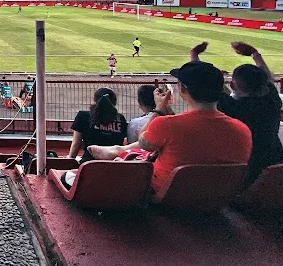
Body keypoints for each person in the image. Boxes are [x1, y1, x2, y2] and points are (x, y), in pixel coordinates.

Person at [88, 58, 252, 194]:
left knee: (135, 157)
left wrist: (159, 108)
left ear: (182, 89)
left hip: (167, 196)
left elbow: (144, 142)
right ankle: (116, 150)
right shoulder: (242, 130)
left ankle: (115, 152)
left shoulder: (165, 124)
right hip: (217, 198)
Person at [219, 41, 283, 186]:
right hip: (275, 167)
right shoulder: (272, 101)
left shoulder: (232, 108)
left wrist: (195, 57)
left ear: (233, 85)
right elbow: (268, 81)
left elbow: (201, 85)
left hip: (246, 174)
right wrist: (255, 54)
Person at [67, 88, 127, 163]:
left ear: (95, 100)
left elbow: (76, 143)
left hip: (89, 164)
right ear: (114, 102)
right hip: (114, 164)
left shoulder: (83, 116)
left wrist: (70, 161)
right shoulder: (120, 118)